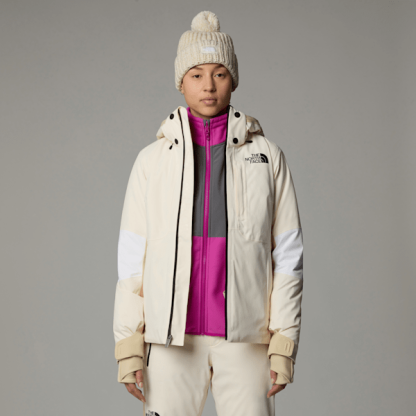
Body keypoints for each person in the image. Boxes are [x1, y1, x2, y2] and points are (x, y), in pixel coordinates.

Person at [113, 10, 303, 416]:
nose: (209, 85)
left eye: (219, 73)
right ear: (181, 81)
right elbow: (131, 261)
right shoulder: (151, 162)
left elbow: (288, 256)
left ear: (233, 79)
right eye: (196, 74)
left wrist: (283, 343)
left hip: (247, 339)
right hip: (171, 338)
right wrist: (129, 345)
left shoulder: (267, 158)